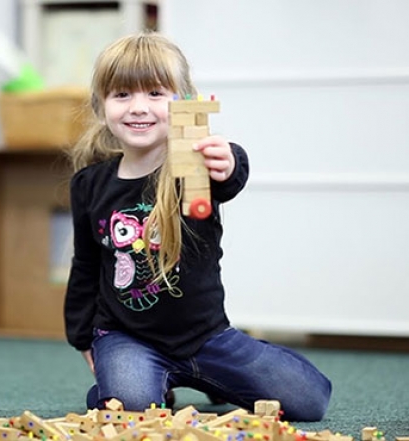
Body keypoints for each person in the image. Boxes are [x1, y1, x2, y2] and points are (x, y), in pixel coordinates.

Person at [63, 31, 331, 422]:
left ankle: (210, 377)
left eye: (155, 93)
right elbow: (85, 265)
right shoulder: (89, 185)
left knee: (309, 401)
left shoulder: (195, 169)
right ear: (101, 107)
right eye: (122, 94)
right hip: (127, 338)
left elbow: (230, 176)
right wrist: (82, 337)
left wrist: (229, 160)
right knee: (131, 408)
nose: (138, 107)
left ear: (184, 103)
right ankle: (140, 382)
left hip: (207, 337)